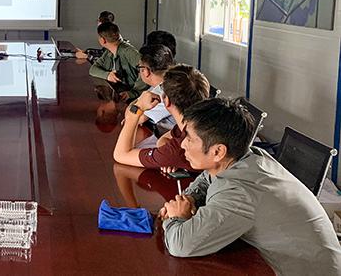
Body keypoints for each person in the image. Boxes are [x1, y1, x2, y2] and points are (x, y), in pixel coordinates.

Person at [161, 98, 341, 275]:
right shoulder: (249, 157)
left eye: (190, 139)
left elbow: (180, 245)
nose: (183, 144)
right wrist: (188, 199)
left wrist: (176, 216)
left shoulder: (240, 192)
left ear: (218, 151)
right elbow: (206, 178)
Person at [113, 64, 209, 171]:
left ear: (166, 101)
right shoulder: (195, 123)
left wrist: (136, 110)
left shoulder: (176, 150)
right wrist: (167, 156)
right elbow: (165, 138)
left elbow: (120, 155)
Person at [89, 21, 148, 100]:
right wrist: (107, 75)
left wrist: (133, 93)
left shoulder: (128, 51)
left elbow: (146, 69)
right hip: (119, 91)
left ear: (103, 40)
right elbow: (93, 69)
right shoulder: (109, 52)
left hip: (132, 96)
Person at [134, 44, 176, 135]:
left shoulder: (162, 93)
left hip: (174, 140)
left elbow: (134, 118)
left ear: (146, 71)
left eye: (139, 67)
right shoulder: (170, 83)